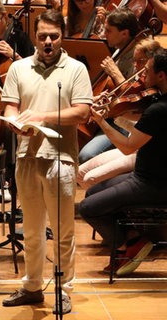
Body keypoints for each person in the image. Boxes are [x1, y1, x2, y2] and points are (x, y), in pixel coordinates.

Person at [0, 10, 93, 314]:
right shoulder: (18, 68)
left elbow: (81, 113)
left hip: (60, 157)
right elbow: (11, 107)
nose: (48, 41)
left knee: (63, 230)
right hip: (26, 155)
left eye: (53, 35)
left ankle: (64, 289)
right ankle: (32, 286)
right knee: (30, 228)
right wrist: (13, 122)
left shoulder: (76, 69)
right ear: (35, 37)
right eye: (42, 36)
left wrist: (40, 116)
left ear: (61, 36)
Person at [78, 48, 167, 276]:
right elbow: (141, 120)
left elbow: (128, 146)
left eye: (147, 70)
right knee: (92, 192)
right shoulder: (158, 102)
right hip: (149, 177)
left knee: (88, 207)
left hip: (152, 184)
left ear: (162, 75)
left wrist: (102, 121)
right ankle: (134, 238)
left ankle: (124, 249)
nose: (141, 75)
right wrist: (115, 110)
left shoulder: (159, 110)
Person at [77, 38, 161, 189]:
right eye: (134, 61)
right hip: (132, 144)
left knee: (90, 178)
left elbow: (134, 136)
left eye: (140, 61)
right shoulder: (143, 86)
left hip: (142, 153)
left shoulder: (157, 98)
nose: (136, 66)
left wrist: (105, 118)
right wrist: (113, 111)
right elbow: (136, 116)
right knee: (79, 173)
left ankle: (103, 207)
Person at [79, 8, 140, 164]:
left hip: (125, 121)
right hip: (108, 115)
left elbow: (135, 96)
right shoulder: (117, 51)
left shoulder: (138, 56)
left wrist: (115, 72)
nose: (104, 34)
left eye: (109, 31)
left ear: (124, 33)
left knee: (86, 156)